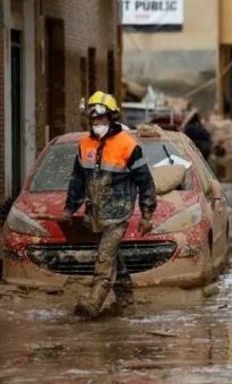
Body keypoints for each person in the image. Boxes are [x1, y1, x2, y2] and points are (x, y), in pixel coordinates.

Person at [63, 91, 157, 318]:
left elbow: (145, 181)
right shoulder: (84, 144)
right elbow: (77, 180)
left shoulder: (128, 145)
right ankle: (126, 304)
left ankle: (93, 303)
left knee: (104, 257)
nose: (97, 123)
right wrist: (69, 209)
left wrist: (146, 215)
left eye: (101, 119)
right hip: (95, 215)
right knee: (114, 258)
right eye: (93, 119)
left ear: (112, 118)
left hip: (118, 214)